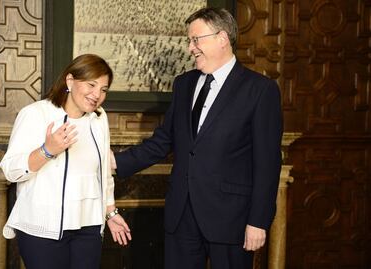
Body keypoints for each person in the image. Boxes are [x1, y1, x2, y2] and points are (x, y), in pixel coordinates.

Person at [111, 7, 283, 269]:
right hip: (182, 216)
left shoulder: (260, 90)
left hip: (232, 219)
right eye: (189, 41)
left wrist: (258, 221)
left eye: (196, 39)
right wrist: (114, 162)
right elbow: (163, 141)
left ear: (222, 38)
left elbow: (267, 164)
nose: (190, 48)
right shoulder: (184, 84)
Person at [0, 54, 132, 269]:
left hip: (88, 226)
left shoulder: (99, 118)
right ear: (70, 81)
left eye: (104, 89)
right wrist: (47, 150)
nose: (97, 94)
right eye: (91, 84)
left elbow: (103, 173)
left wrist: (110, 212)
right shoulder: (35, 114)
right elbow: (10, 171)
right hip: (42, 228)